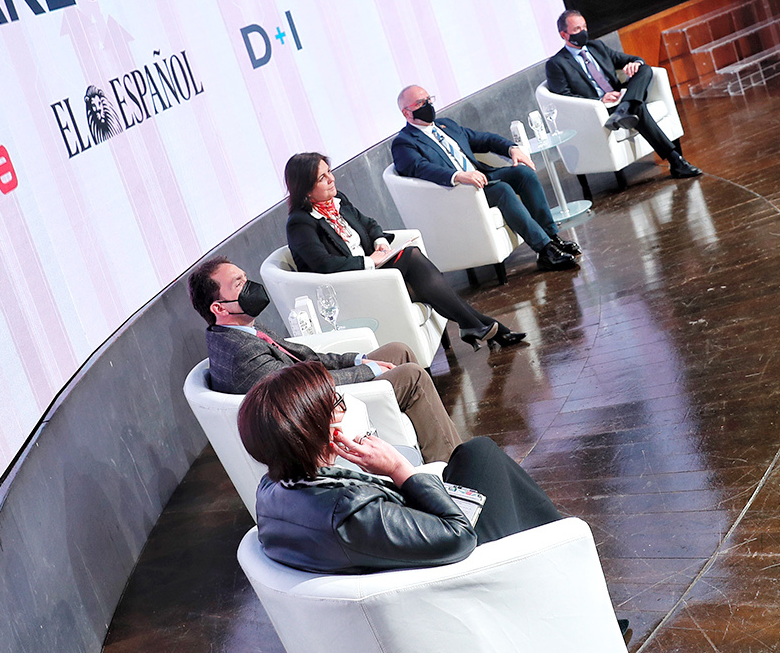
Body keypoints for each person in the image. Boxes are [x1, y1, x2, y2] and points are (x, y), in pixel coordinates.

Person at [241, 361, 563, 574]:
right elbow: (460, 536)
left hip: (399, 554)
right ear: (325, 432)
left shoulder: (271, 491)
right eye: (337, 404)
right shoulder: (351, 513)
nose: (344, 406)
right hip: (460, 568)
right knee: (484, 454)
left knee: (470, 456)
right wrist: (398, 468)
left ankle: (558, 542)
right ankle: (563, 552)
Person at [190, 256, 462, 463]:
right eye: (239, 284)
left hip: (312, 387)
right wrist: (369, 371)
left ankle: (441, 440)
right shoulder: (240, 353)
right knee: (412, 376)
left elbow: (307, 358)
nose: (250, 287)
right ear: (219, 307)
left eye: (245, 278)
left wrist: (358, 360)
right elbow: (299, 389)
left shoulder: (244, 329)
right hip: (314, 409)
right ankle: (452, 465)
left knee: (398, 350)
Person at [284, 152, 526, 350]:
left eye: (329, 172)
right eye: (322, 178)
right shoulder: (300, 223)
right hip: (351, 285)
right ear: (306, 189)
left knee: (422, 279)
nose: (332, 179)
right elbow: (324, 265)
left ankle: (477, 326)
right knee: (412, 258)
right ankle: (479, 326)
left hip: (375, 272)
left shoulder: (338, 201)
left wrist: (379, 241)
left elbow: (369, 224)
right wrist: (369, 261)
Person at [390, 85, 578, 273]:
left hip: (482, 177)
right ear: (406, 113)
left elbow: (483, 139)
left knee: (524, 174)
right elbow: (419, 168)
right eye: (421, 103)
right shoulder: (404, 142)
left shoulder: (445, 125)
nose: (428, 105)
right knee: (502, 190)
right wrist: (458, 176)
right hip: (458, 191)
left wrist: (511, 148)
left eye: (429, 99)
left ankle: (552, 238)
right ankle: (545, 251)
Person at [544, 10, 701, 179]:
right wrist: (599, 100)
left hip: (621, 97)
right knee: (638, 108)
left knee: (644, 69)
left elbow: (630, 59)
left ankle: (625, 108)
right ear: (564, 34)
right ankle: (676, 161)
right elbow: (565, 98)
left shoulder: (596, 47)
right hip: (600, 109)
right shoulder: (556, 64)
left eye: (584, 27)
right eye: (577, 29)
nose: (583, 32)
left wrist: (634, 63)